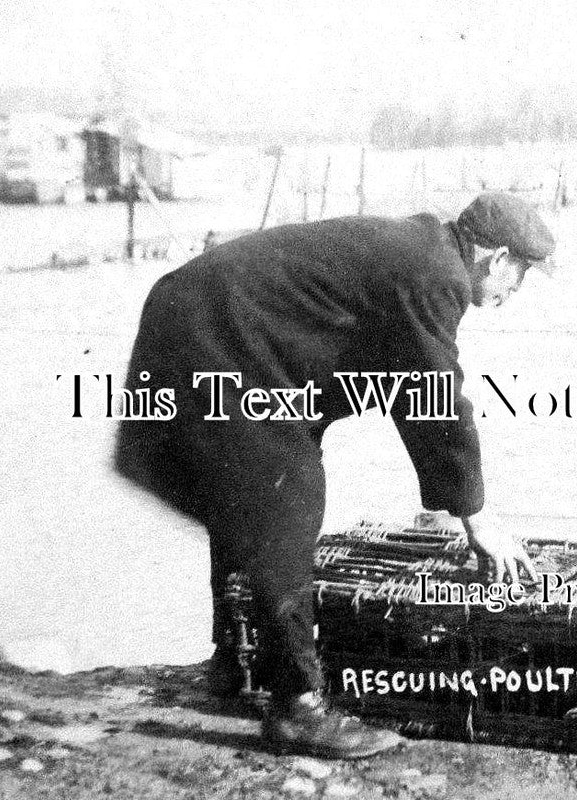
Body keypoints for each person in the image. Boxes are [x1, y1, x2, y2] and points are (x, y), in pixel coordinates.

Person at [114, 192, 551, 758]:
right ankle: (297, 706)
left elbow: (404, 387)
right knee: (287, 493)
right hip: (213, 330)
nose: (514, 292)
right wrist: (478, 515)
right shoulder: (436, 274)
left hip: (204, 317)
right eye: (519, 275)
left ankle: (234, 662)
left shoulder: (425, 255)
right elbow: (437, 396)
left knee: (252, 486)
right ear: (495, 258)